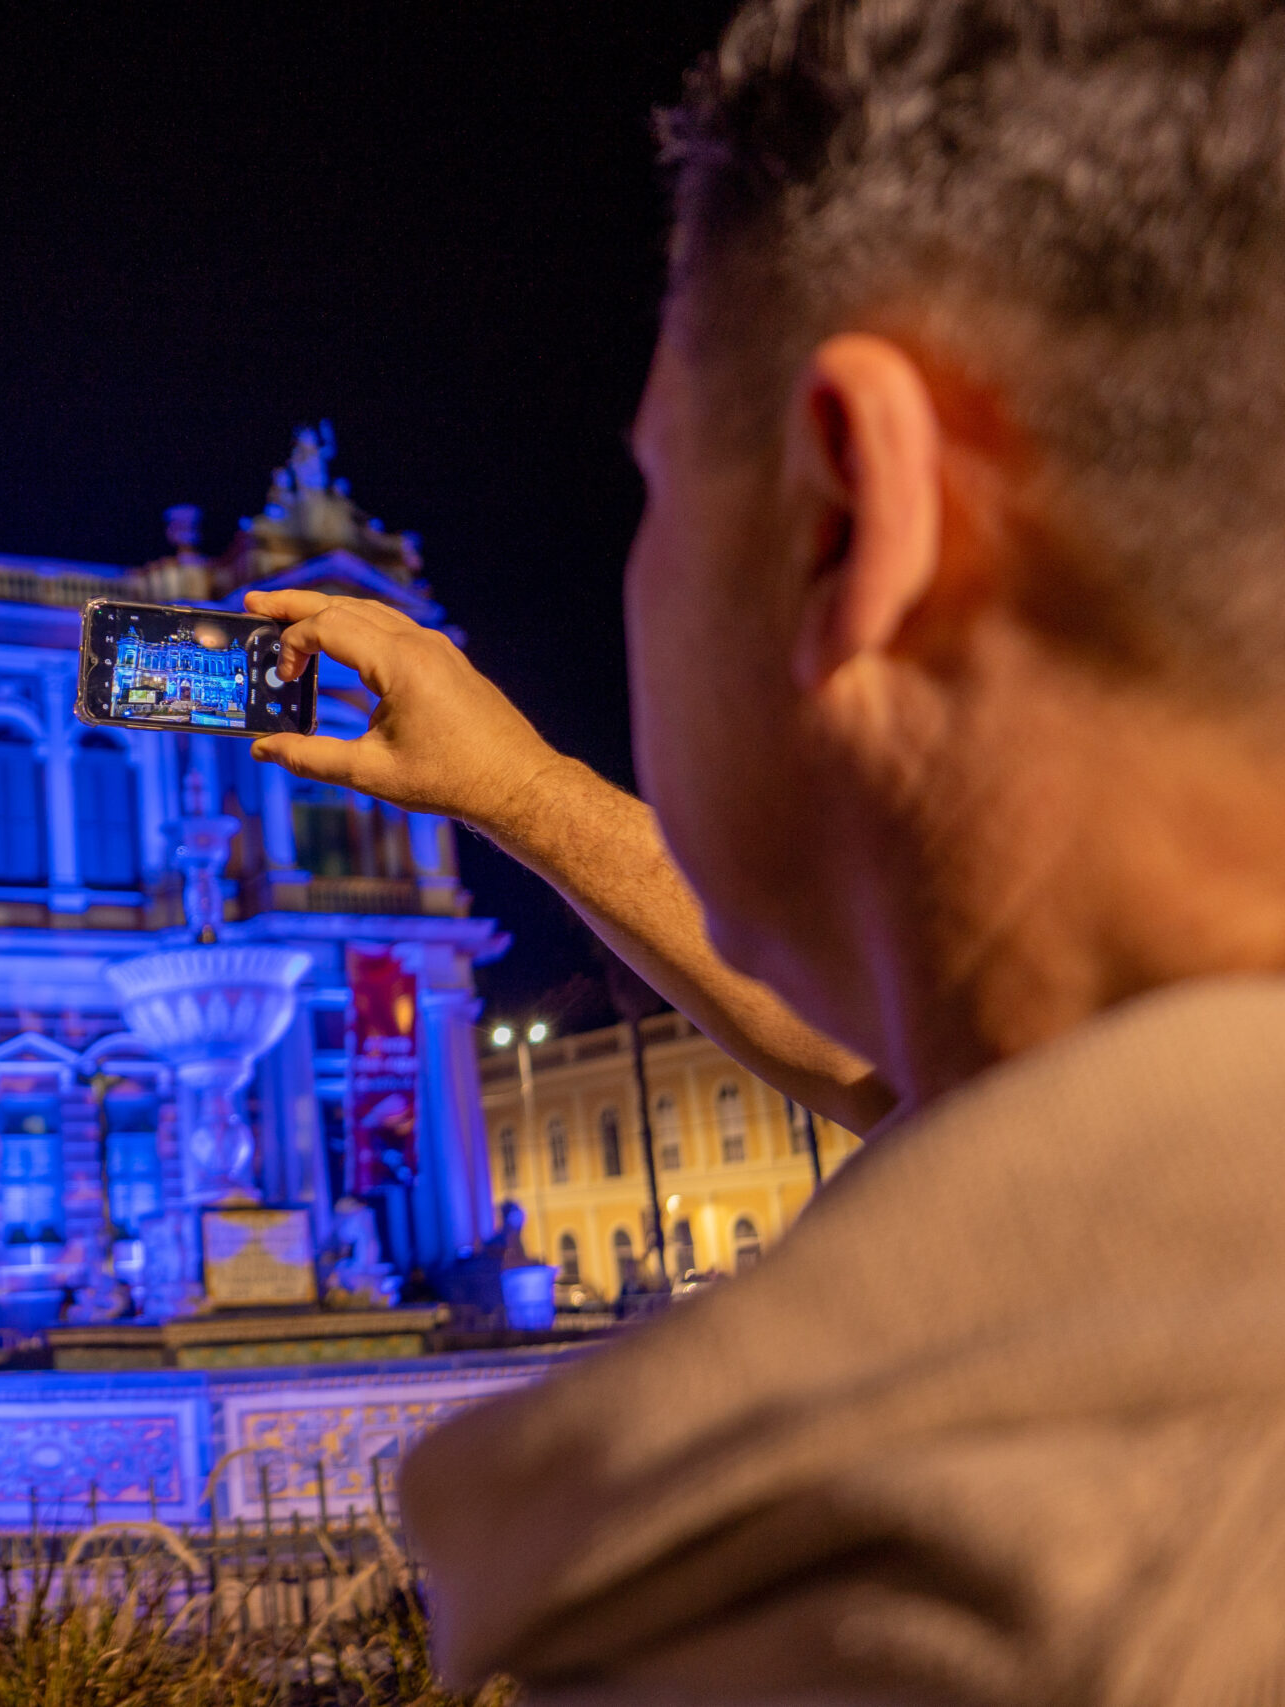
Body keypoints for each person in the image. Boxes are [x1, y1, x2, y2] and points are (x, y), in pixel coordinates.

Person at [250, 3, 1285, 1696]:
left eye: (656, 488)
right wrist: (524, 791)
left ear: (851, 518)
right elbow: (903, 1073)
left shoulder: (883, 1613)